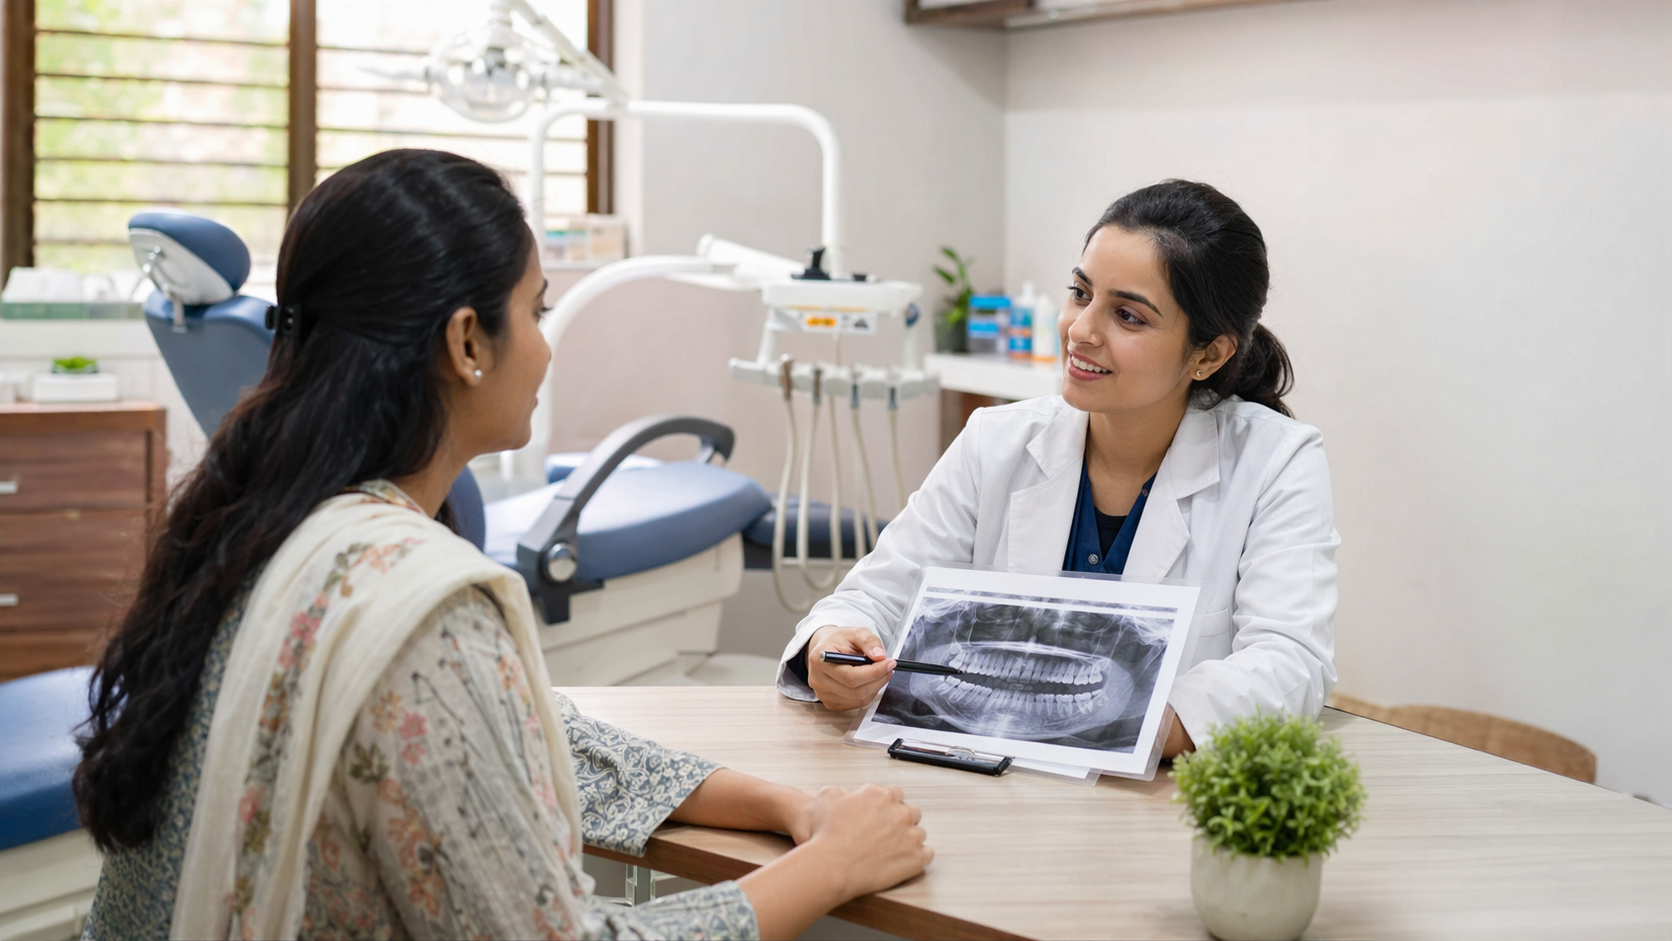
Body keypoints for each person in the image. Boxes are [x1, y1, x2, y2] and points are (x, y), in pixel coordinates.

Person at [74, 149, 931, 941]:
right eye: (536, 308)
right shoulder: (419, 613)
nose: (548, 342)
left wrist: (786, 805)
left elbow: (514, 739)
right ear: (467, 341)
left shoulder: (249, 527)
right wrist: (832, 865)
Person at [779, 180, 1338, 757]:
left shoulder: (1275, 462)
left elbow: (1291, 663)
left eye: (1127, 315)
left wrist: (1125, 727)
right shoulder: (996, 442)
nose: (1080, 329)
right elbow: (876, 597)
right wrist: (831, 646)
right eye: (1079, 292)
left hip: (1153, 806)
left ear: (1208, 354)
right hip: (980, 785)